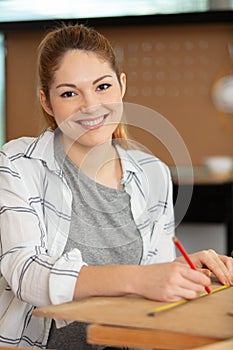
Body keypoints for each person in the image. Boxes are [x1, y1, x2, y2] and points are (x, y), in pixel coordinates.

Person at [0, 24, 232, 350]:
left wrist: (182, 272)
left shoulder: (153, 174)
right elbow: (26, 274)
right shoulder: (17, 163)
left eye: (102, 86)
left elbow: (152, 284)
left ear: (121, 86)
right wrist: (138, 278)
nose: (91, 105)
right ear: (47, 102)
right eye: (69, 93)